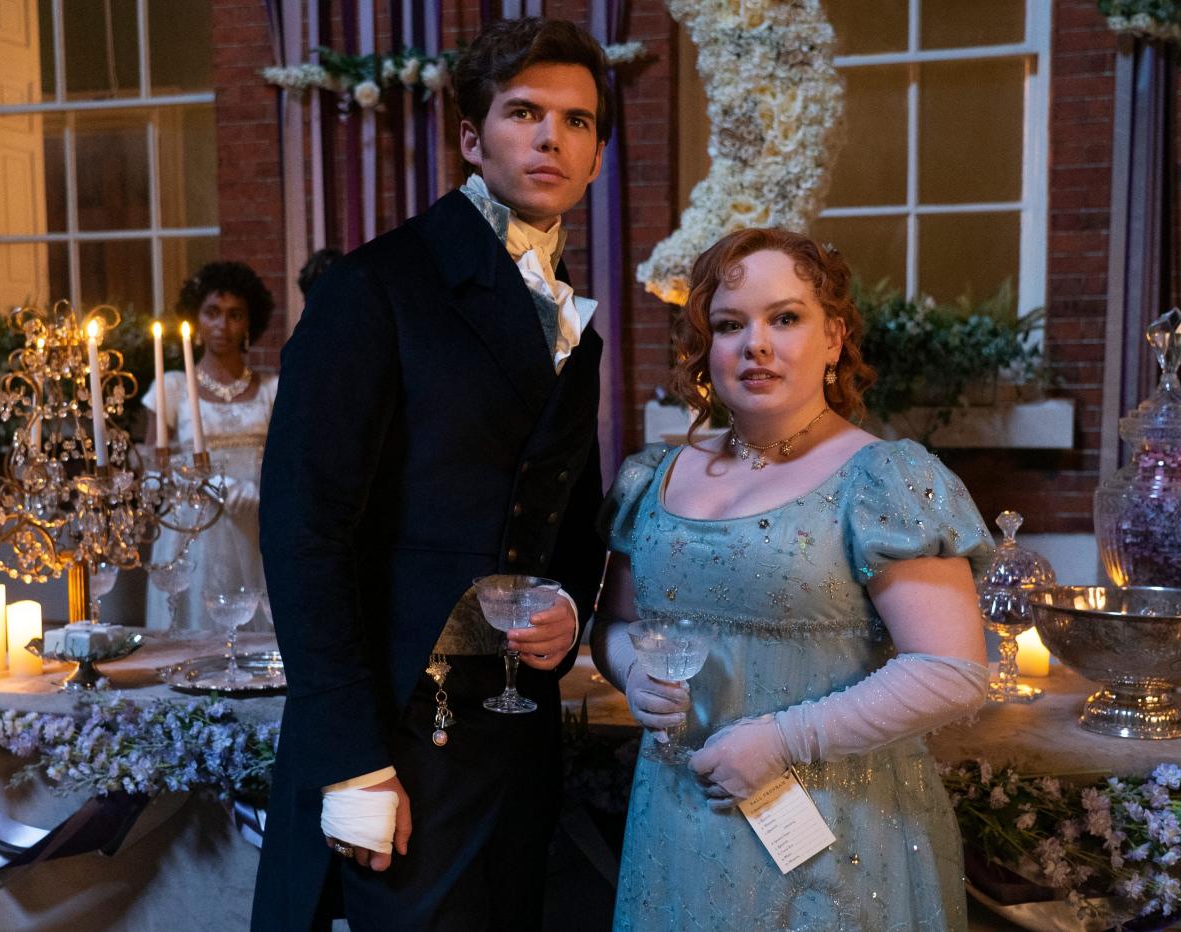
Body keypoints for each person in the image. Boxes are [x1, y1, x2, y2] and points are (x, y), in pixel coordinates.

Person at [252, 17, 611, 931]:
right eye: (524, 112)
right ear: (470, 137)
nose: (550, 138)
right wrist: (352, 760)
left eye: (577, 122)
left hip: (516, 732)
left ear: (599, 153)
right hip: (397, 736)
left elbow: (567, 516)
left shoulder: (578, 321)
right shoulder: (374, 290)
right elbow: (304, 530)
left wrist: (567, 605)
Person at [591, 229, 993, 931]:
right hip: (678, 823)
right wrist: (630, 669)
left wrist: (783, 740)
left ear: (834, 337)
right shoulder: (651, 476)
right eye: (728, 324)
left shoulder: (885, 480)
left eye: (786, 318)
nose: (756, 344)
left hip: (836, 829)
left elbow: (952, 670)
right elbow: (617, 627)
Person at [142, 261, 277, 632]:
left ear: (250, 322)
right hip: (193, 528)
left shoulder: (271, 390)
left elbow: (288, 465)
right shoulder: (171, 388)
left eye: (235, 315)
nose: (223, 326)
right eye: (212, 313)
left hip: (255, 520)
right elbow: (156, 472)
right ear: (197, 319)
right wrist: (207, 483)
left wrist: (259, 493)